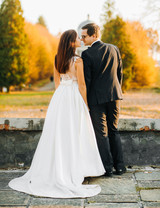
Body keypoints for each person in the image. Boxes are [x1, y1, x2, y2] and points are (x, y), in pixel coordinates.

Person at [8, 30, 105, 198]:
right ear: (71, 42)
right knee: (75, 132)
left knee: (58, 133)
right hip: (74, 97)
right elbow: (82, 85)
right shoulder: (78, 61)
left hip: (60, 97)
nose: (80, 40)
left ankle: (56, 167)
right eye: (77, 38)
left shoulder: (57, 58)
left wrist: (59, 98)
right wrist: (85, 105)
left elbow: (57, 81)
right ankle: (74, 168)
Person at [81, 23, 126, 177]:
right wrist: (118, 90)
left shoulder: (87, 55)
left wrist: (85, 102)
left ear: (94, 35)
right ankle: (120, 167)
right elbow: (120, 74)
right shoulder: (114, 48)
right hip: (115, 96)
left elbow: (87, 81)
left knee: (102, 134)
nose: (82, 39)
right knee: (114, 130)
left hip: (96, 99)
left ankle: (107, 168)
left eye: (84, 36)